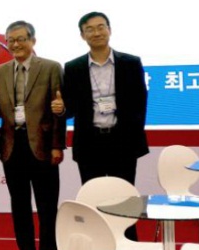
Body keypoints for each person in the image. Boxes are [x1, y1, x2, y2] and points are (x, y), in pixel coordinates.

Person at [0, 21, 66, 250]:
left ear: (33, 40)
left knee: (47, 207)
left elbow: (58, 109)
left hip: (43, 146)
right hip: (12, 146)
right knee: (19, 207)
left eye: (21, 39)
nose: (16, 44)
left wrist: (57, 145)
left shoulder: (51, 68)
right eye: (11, 40)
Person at [57, 11, 149, 186]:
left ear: (109, 30)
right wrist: (61, 108)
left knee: (124, 195)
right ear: (83, 35)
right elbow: (71, 108)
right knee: (93, 195)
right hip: (89, 143)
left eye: (101, 27)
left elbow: (140, 103)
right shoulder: (73, 67)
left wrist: (132, 134)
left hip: (123, 142)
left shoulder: (130, 63)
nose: (97, 33)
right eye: (90, 29)